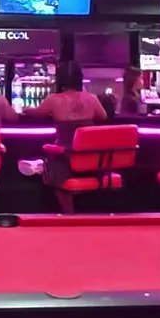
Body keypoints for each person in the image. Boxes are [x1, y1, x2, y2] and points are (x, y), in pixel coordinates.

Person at [23, 60, 108, 213]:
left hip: (65, 158)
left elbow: (37, 113)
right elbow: (103, 117)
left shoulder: (53, 100)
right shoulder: (91, 99)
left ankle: (68, 213)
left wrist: (26, 109)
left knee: (54, 164)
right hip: (92, 159)